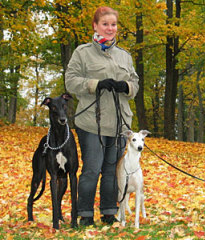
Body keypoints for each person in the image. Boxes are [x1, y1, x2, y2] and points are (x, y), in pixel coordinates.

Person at [65, 6, 139, 226]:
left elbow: (135, 83)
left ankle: (109, 212)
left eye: (113, 24)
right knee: (92, 169)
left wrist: (125, 86)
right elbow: (71, 82)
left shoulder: (124, 56)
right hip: (91, 124)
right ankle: (85, 214)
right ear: (95, 26)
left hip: (119, 124)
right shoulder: (83, 52)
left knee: (112, 171)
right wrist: (96, 84)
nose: (110, 28)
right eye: (105, 24)